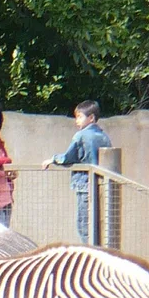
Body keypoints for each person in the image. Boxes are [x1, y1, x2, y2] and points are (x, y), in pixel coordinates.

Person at [42, 100, 111, 244]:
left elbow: (68, 157)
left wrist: (53, 159)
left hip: (85, 185)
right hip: (102, 185)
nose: (76, 121)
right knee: (99, 224)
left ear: (91, 117)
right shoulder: (104, 137)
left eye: (79, 116)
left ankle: (90, 257)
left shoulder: (81, 136)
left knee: (84, 225)